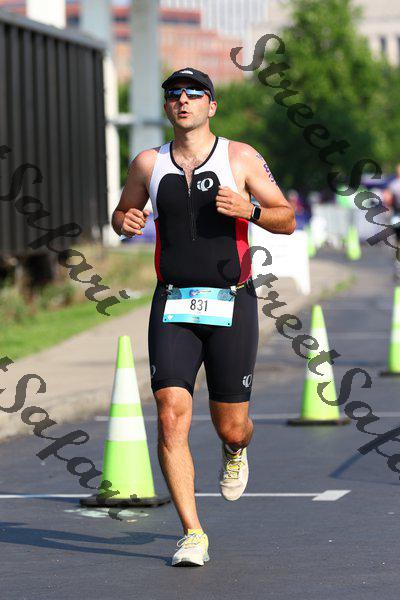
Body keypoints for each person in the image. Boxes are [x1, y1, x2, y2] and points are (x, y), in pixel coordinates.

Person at [112, 67, 295, 567]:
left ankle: (235, 450)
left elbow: (286, 217)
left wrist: (249, 210)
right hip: (172, 303)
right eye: (174, 94)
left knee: (231, 426)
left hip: (231, 301)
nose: (184, 100)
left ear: (211, 105)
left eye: (194, 94)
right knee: (171, 413)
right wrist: (126, 221)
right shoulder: (147, 163)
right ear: (167, 107)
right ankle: (192, 532)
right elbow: (122, 213)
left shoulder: (241, 157)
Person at [383, 163, 400, 281]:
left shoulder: (393, 184)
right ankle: (397, 268)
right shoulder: (394, 184)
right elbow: (388, 200)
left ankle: (397, 267)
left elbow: (387, 199)